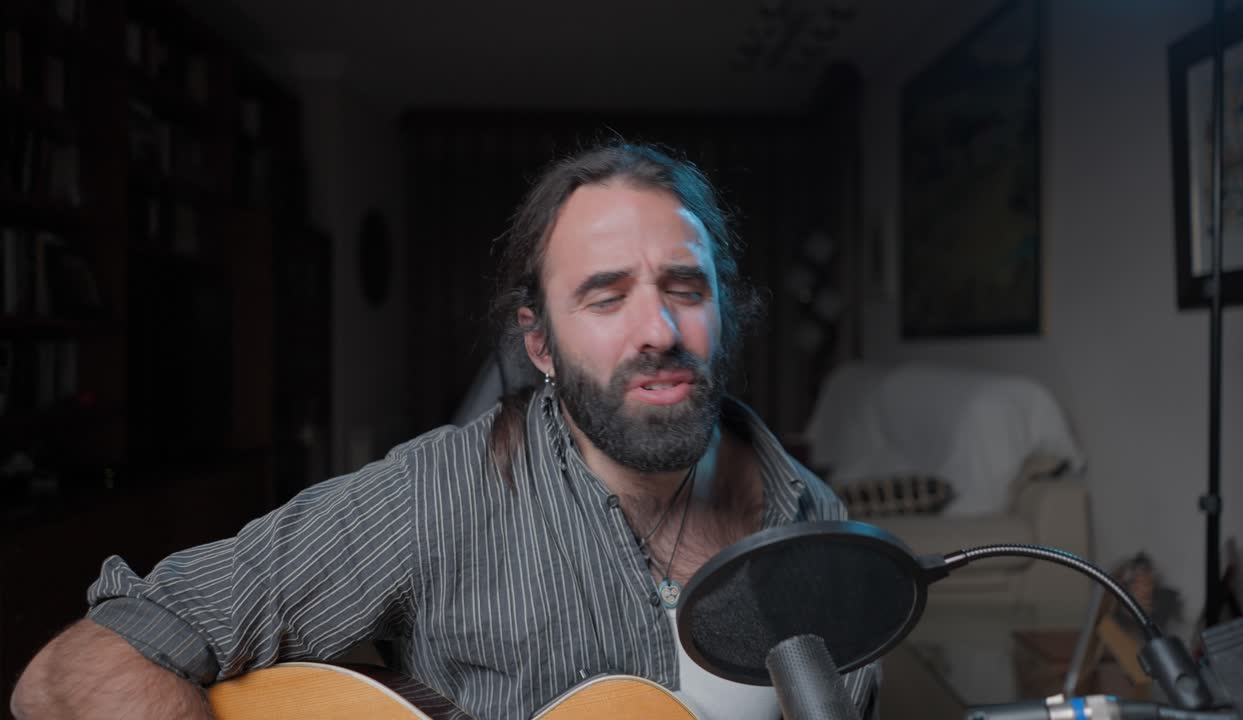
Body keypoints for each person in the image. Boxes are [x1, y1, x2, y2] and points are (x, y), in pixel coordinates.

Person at [11, 143, 878, 720]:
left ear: (725, 313)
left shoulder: (819, 520)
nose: (656, 328)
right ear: (538, 343)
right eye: (606, 296)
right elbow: (71, 674)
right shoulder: (438, 493)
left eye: (685, 288)